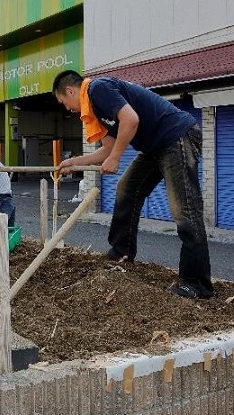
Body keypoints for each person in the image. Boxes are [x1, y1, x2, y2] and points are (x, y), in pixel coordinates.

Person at [52, 69, 213, 300]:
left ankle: (197, 283)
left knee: (185, 211)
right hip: (155, 147)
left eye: (63, 102)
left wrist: (116, 158)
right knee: (126, 189)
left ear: (70, 90)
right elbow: (107, 150)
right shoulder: (95, 109)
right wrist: (73, 162)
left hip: (176, 137)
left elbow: (131, 119)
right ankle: (121, 252)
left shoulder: (98, 89)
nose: (67, 108)